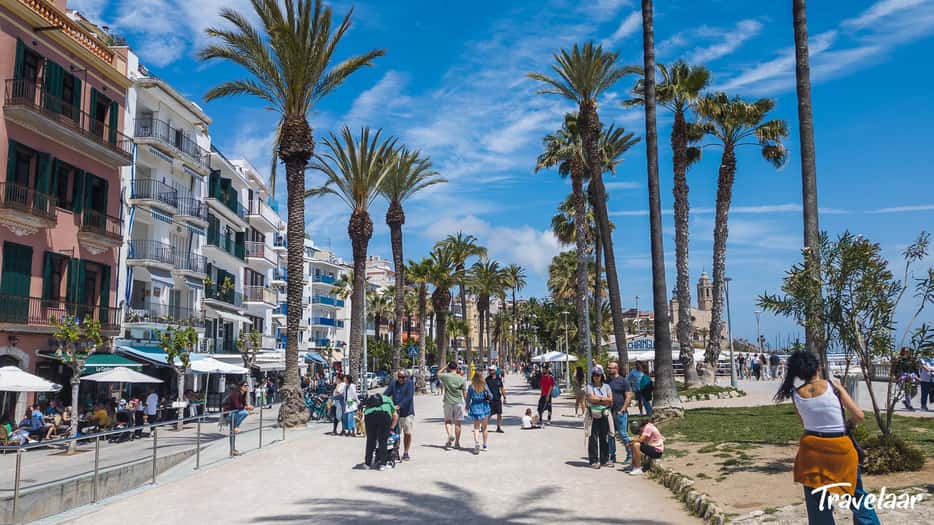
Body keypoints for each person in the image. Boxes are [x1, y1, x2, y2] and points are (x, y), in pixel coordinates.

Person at [775, 350, 880, 525]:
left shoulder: (796, 394)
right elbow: (859, 415)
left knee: (816, 499)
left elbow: (805, 423)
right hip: (840, 448)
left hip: (811, 450)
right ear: (818, 367)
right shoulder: (833, 385)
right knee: (856, 495)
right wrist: (849, 424)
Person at [606, 361, 634, 466]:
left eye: (610, 368)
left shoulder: (623, 381)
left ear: (616, 368)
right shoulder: (607, 381)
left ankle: (630, 455)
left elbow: (629, 396)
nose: (608, 369)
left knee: (623, 434)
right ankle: (611, 456)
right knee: (610, 435)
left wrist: (623, 409)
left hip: (620, 412)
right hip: (609, 412)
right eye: (608, 368)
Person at [585, 366, 612, 468]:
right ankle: (593, 460)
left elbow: (611, 400)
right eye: (594, 375)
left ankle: (604, 459)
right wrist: (603, 399)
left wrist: (598, 399)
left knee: (604, 437)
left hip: (604, 413)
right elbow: (591, 399)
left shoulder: (607, 387)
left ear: (601, 376)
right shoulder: (589, 387)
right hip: (593, 414)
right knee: (593, 437)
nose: (596, 377)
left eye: (598, 375)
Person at [384, 370, 415, 460]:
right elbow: (386, 394)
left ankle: (406, 452)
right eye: (399, 377)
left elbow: (409, 397)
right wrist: (381, 400)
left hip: (407, 413)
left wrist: (400, 405)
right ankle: (395, 451)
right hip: (396, 413)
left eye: (403, 377)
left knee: (407, 433)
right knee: (395, 433)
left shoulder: (409, 384)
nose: (401, 379)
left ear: (406, 377)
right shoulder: (394, 383)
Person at [363, 392, 397, 470]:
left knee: (370, 440)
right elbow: (395, 416)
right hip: (384, 415)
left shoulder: (370, 400)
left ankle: (367, 464)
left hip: (369, 416)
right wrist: (391, 428)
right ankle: (382, 464)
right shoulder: (389, 400)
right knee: (383, 441)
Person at [439, 362, 467, 450]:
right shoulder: (461, 379)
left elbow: (438, 373)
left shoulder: (446, 376)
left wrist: (444, 367)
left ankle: (450, 434)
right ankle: (457, 442)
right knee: (458, 423)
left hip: (448, 401)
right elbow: (464, 393)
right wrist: (467, 404)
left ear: (449, 368)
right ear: (457, 368)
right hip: (459, 402)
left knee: (448, 421)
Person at [466, 372, 492, 455]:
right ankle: (485, 445)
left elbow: (468, 398)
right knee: (484, 427)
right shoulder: (484, 386)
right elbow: (491, 396)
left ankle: (477, 443)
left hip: (475, 407)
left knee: (476, 427)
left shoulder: (471, 387)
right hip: (484, 406)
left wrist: (467, 406)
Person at [485, 366, 507, 433]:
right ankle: (484, 426)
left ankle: (499, 427)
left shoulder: (498, 379)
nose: (490, 371)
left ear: (495, 371)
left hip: (497, 399)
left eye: (491, 370)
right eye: (489, 370)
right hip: (490, 400)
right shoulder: (487, 379)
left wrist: (505, 397)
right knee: (489, 414)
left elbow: (502, 388)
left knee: (499, 414)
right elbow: (484, 389)